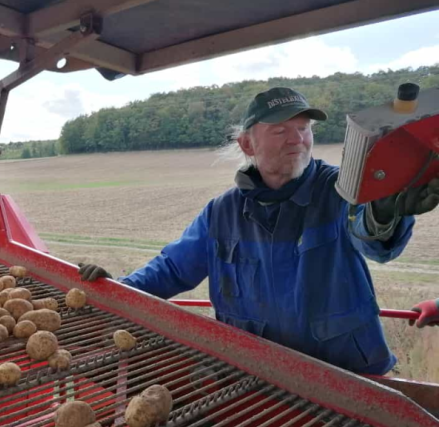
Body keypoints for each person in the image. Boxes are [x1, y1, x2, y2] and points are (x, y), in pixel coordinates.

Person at [80, 87, 439, 375]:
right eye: (280, 130)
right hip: (258, 377)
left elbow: (373, 241)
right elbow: (172, 270)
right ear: (248, 144)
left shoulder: (339, 190)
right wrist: (117, 290)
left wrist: (383, 210)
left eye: (303, 128)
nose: (296, 139)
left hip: (349, 375)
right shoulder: (222, 213)